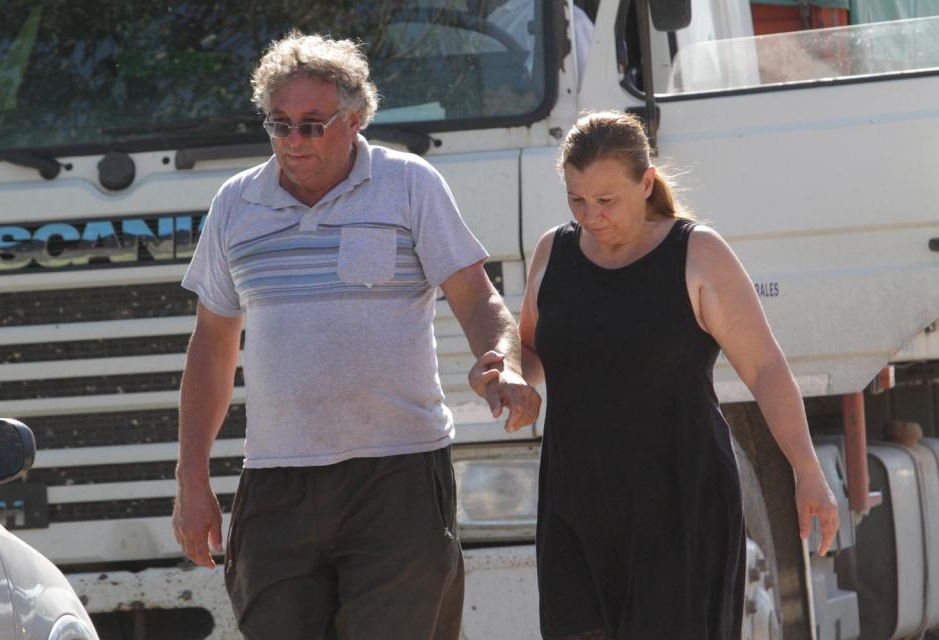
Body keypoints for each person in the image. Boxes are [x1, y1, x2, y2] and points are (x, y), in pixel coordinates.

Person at [171, 31, 541, 640]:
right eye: (279, 123)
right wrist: (191, 478)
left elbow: (478, 299)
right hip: (276, 478)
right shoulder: (236, 203)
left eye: (312, 124)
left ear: (356, 117)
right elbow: (212, 345)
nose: (293, 140)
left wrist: (504, 363)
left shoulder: (409, 183)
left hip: (397, 475)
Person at [470, 111, 840, 639]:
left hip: (680, 504)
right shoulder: (555, 250)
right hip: (575, 506)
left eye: (606, 201)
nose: (590, 216)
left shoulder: (696, 253)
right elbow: (530, 348)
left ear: (645, 183)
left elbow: (765, 368)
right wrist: (507, 375)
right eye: (577, 200)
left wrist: (806, 470)